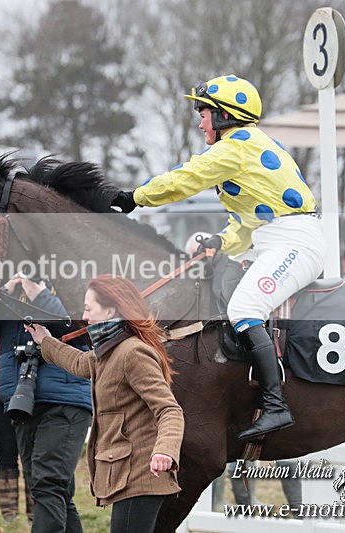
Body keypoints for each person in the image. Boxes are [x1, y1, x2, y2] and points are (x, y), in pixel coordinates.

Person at [111, 74, 326, 440]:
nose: (200, 122)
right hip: (274, 238)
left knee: (244, 309)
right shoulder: (245, 147)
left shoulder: (235, 147)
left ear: (225, 116)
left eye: (204, 113)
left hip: (294, 243)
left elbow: (186, 178)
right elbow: (248, 223)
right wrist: (220, 241)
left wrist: (134, 197)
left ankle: (276, 405)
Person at [26, 275, 184, 533]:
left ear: (110, 310)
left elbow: (169, 409)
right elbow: (80, 363)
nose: (85, 317)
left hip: (143, 475)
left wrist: (165, 451)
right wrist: (44, 339)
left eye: (89, 309)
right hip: (130, 474)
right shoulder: (110, 350)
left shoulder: (132, 352)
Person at [0, 273, 92, 533]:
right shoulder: (11, 288)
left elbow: (82, 331)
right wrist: (3, 294)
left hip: (63, 400)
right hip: (22, 400)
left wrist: (42, 297)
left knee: (49, 485)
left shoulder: (73, 274)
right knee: (52, 490)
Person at [0, 337, 32, 522]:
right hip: (0, 392)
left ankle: (34, 513)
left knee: (30, 454)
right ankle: (9, 514)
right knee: (7, 452)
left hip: (26, 390)